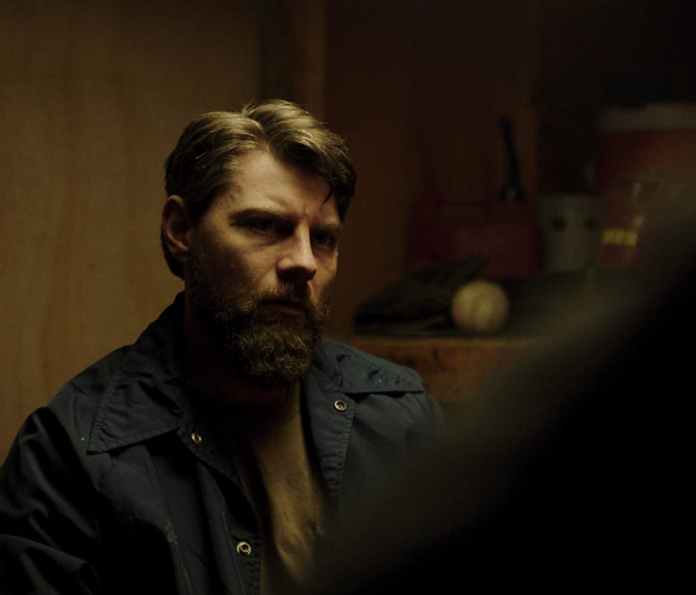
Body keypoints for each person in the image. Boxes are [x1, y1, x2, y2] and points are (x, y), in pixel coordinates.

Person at [0, 100, 443, 595]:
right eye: (264, 226)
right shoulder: (70, 455)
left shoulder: (400, 420)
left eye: (323, 238)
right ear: (180, 231)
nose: (304, 262)